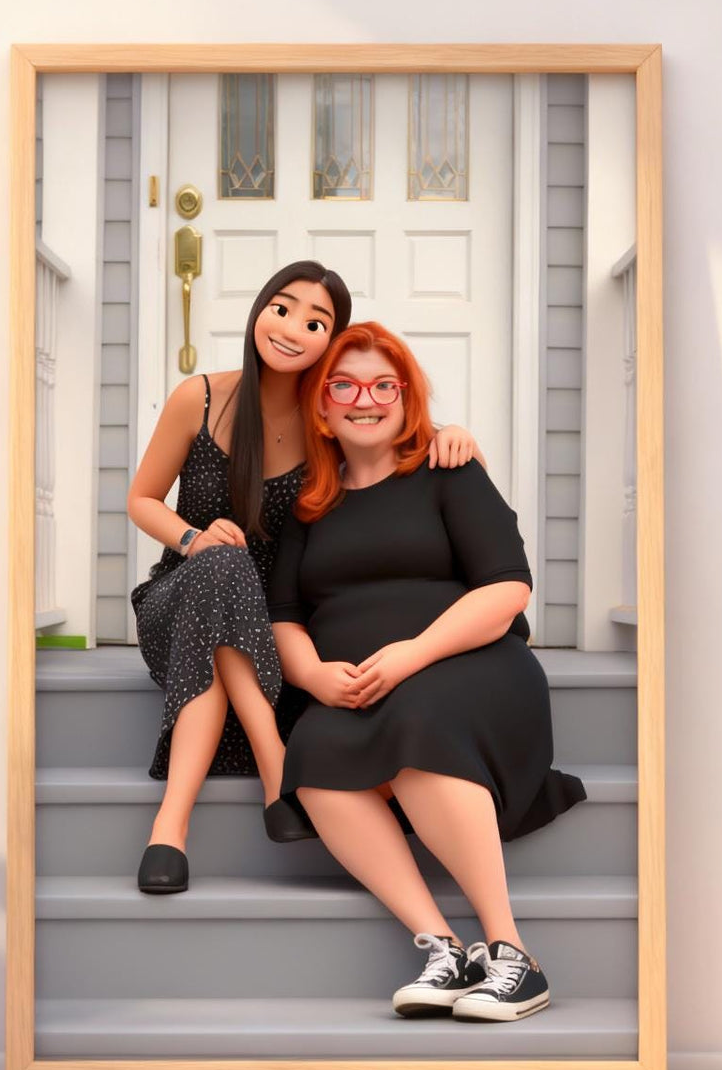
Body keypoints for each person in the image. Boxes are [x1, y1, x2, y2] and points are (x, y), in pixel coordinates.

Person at [267, 321, 587, 1022]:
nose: (366, 399)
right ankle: (444, 948)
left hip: (472, 667)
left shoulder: (448, 470)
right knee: (316, 748)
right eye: (344, 385)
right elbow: (284, 617)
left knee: (415, 719)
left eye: (386, 385)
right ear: (320, 406)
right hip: (360, 690)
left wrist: (414, 652)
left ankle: (512, 955)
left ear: (408, 399)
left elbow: (507, 590)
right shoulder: (307, 502)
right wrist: (315, 676)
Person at [127, 263, 480, 894]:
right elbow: (143, 499)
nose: (292, 329)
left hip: (278, 629)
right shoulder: (200, 397)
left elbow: (398, 441)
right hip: (180, 602)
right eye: (282, 308)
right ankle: (271, 776)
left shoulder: (330, 419)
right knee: (222, 566)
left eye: (315, 322)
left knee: (231, 591)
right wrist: (193, 537)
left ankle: (167, 835)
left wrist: (453, 435)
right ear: (259, 310)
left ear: (331, 340)